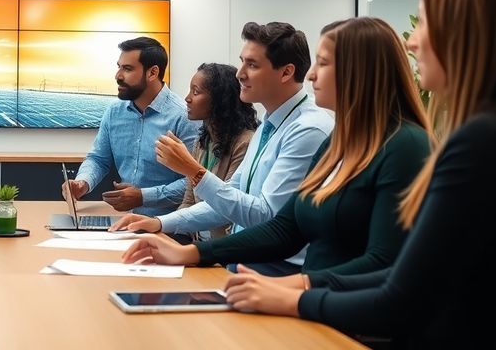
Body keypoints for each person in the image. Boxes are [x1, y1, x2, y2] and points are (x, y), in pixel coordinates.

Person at [223, 0, 496, 348]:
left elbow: (403, 296)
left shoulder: (484, 140)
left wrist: (297, 298)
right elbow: (415, 275)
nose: (411, 41)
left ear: (468, 33)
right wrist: (299, 287)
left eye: (425, 22)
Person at [123, 17, 432, 283]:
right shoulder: (309, 134)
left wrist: (194, 172)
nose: (311, 75)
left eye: (323, 64)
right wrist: (176, 238)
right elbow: (282, 225)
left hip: (287, 277)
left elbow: (267, 217)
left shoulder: (318, 131)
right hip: (267, 271)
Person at [112, 22, 333, 275]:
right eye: (242, 62)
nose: (240, 73)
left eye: (252, 64)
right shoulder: (269, 125)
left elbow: (266, 217)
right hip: (247, 262)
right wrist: (159, 222)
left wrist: (195, 172)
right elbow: (229, 197)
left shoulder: (308, 129)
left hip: (275, 271)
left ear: (285, 73)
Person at [62, 37, 199, 216]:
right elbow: (98, 159)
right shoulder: (114, 112)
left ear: (152, 73)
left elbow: (195, 180)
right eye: (119, 67)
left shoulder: (184, 116)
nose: (118, 76)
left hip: (170, 227)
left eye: (127, 69)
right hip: (126, 220)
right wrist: (82, 183)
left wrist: (144, 196)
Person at [127, 63, 258, 241]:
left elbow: (228, 209)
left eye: (195, 92)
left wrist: (161, 224)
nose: (187, 98)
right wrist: (171, 240)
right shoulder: (203, 141)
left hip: (224, 248)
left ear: (220, 100)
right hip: (199, 243)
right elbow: (188, 201)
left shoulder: (245, 143)